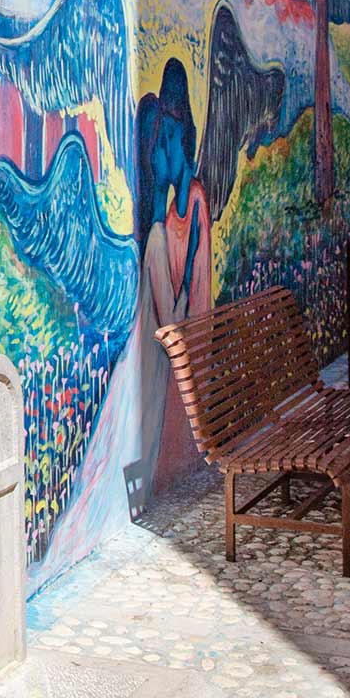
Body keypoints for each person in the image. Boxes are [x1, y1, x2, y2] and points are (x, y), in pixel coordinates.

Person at [134, 58, 212, 490]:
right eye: (158, 142)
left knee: (156, 244)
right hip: (177, 333)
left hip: (189, 336)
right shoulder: (168, 214)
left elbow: (191, 294)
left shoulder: (194, 201)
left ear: (183, 140)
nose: (159, 155)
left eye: (165, 142)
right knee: (156, 244)